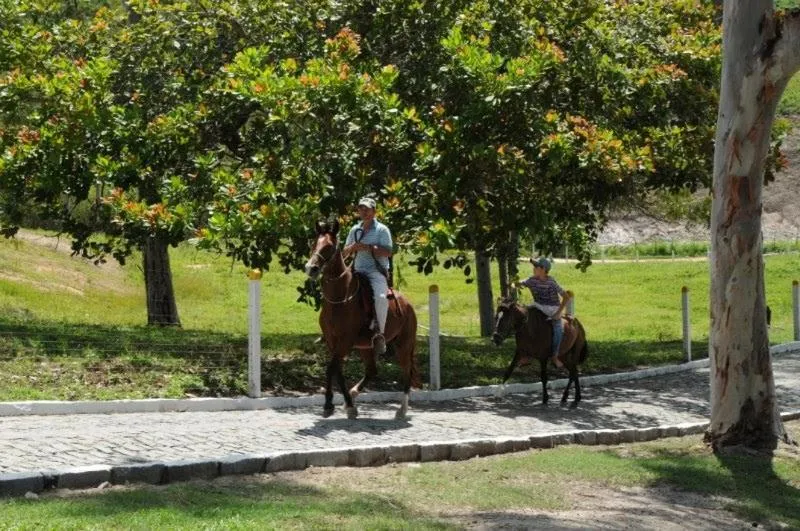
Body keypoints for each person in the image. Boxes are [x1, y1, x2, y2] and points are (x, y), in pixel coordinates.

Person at [343, 196, 393, 356]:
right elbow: (345, 251)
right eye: (361, 209)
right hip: (356, 270)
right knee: (336, 292)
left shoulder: (382, 230)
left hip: (375, 272)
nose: (363, 212)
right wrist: (351, 248)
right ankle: (332, 329)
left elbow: (388, 251)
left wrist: (367, 247)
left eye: (367, 209)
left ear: (374, 211)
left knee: (380, 297)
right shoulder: (354, 229)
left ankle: (379, 334)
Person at [513, 257, 572, 369]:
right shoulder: (532, 280)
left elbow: (566, 297)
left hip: (552, 308)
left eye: (536, 267)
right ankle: (525, 355)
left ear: (543, 269)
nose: (533, 269)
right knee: (524, 321)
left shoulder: (551, 282)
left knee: (557, 329)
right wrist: (513, 284)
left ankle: (555, 356)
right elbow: (520, 283)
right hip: (538, 305)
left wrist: (559, 312)